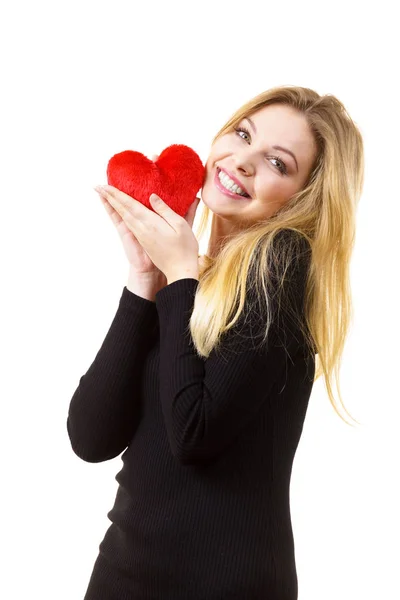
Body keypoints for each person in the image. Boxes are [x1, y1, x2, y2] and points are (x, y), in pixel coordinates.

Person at [67, 85, 364, 599]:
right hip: (123, 576)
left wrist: (180, 273)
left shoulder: (283, 264)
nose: (243, 161)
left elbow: (194, 434)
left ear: (303, 197)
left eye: (277, 161)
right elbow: (91, 439)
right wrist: (145, 281)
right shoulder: (189, 287)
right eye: (243, 135)